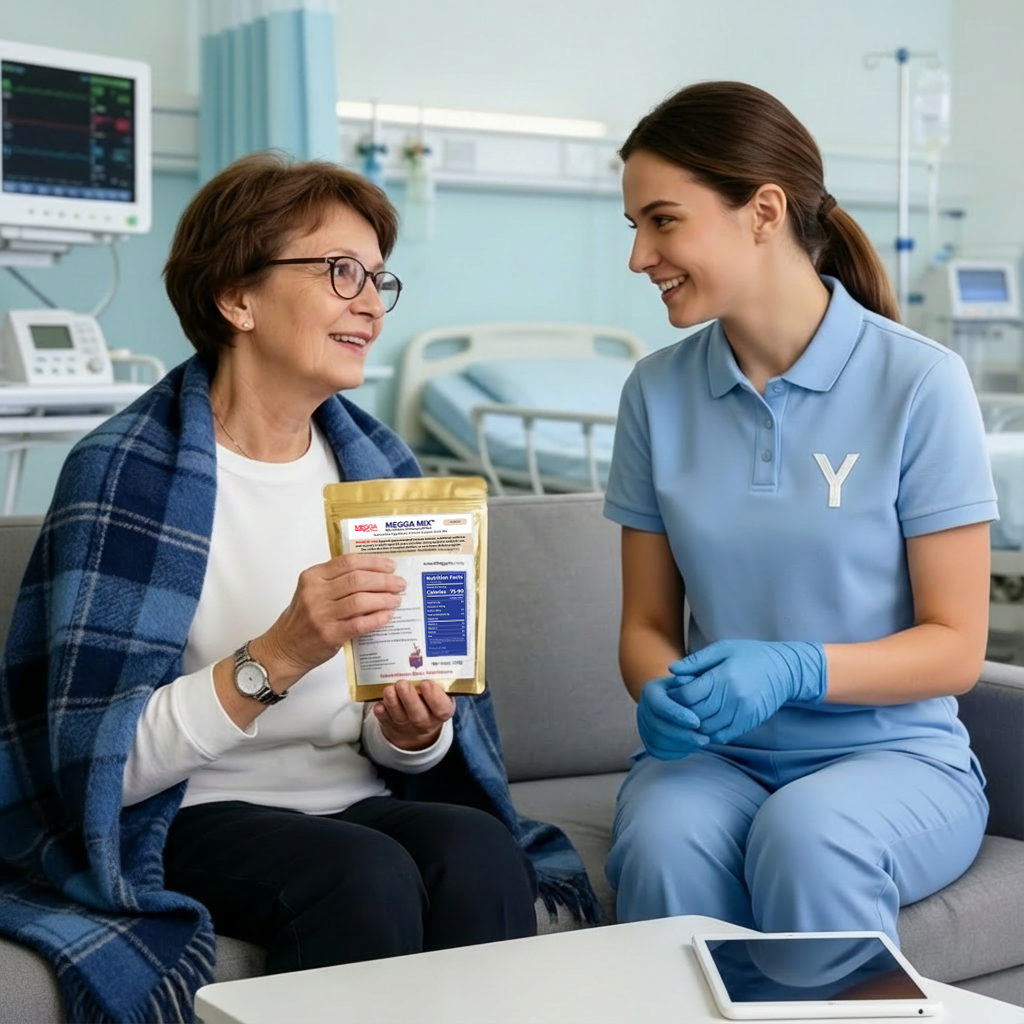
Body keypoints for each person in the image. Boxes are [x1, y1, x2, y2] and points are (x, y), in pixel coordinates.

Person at [0, 152, 596, 1024]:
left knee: (476, 848)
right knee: (358, 873)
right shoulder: (123, 476)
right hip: (186, 811)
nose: (369, 303)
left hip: (353, 798)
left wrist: (415, 733)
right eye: (339, 271)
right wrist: (277, 655)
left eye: (377, 279)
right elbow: (99, 770)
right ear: (236, 299)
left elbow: (400, 740)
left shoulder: (381, 467)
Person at [603, 82, 996, 943]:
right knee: (662, 844)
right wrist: (659, 688)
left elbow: (957, 646)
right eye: (633, 226)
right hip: (716, 760)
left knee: (811, 836)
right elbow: (644, 625)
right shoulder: (656, 393)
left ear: (764, 210)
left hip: (892, 758)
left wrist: (797, 669)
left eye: (662, 221)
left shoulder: (918, 384)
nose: (640, 256)